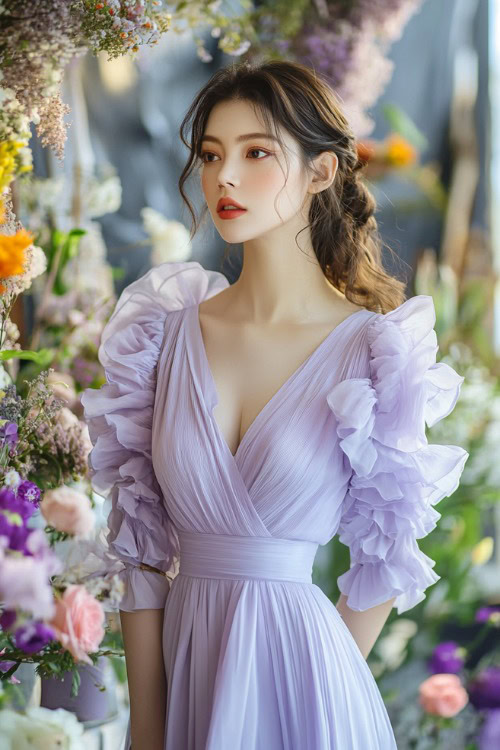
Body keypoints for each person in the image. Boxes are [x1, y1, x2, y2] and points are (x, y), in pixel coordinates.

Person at [81, 60, 469, 749]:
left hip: (312, 687)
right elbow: (139, 551)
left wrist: (324, 683)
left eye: (256, 152)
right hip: (188, 677)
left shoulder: (374, 353)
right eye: (210, 154)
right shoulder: (159, 339)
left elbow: (387, 557)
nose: (224, 176)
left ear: (321, 172)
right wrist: (147, 723)